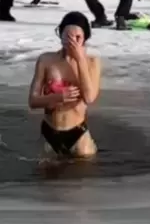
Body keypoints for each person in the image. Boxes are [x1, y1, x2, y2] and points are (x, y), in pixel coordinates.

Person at [27, 11, 101, 158]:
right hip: (49, 130)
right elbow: (32, 101)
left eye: (77, 37)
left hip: (77, 132)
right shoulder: (46, 60)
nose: (72, 41)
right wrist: (57, 97)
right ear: (60, 35)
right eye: (67, 36)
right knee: (43, 176)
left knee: (82, 175)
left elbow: (89, 98)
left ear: (85, 38)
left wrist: (80, 59)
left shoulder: (92, 62)